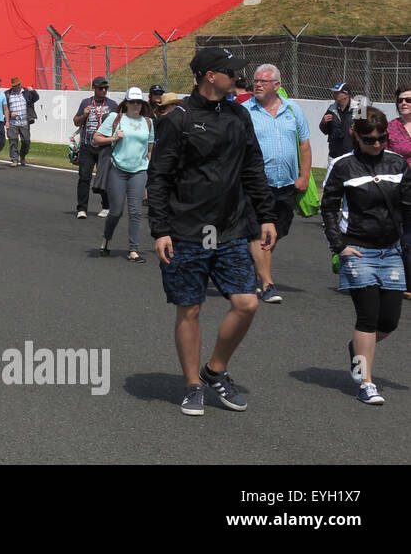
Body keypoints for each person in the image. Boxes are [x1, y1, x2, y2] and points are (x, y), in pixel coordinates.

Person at [149, 47, 276, 416]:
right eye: (231, 72)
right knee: (189, 309)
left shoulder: (238, 115)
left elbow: (253, 166)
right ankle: (192, 385)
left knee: (247, 302)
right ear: (210, 76)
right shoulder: (178, 119)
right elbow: (158, 178)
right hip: (187, 230)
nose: (238, 78)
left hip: (232, 227)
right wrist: (161, 230)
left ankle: (214, 370)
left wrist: (265, 215)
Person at [321, 108, 411, 405]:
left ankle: (358, 346)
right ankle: (365, 381)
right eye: (369, 139)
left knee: (390, 321)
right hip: (358, 249)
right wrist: (339, 245)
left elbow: (408, 205)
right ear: (355, 137)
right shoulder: (344, 166)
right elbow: (329, 207)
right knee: (368, 317)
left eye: (382, 138)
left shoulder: (397, 162)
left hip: (392, 249)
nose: (377, 144)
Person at [244, 63, 311, 305]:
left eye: (263, 81)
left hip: (286, 185)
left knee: (277, 232)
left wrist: (304, 176)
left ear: (277, 85)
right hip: (256, 186)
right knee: (262, 233)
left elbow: (304, 144)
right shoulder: (245, 111)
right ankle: (267, 283)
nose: (257, 85)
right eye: (255, 81)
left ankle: (252, 266)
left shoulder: (293, 110)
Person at [93, 87, 154, 262]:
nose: (135, 105)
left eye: (139, 102)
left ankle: (133, 250)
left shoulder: (148, 122)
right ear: (126, 103)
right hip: (117, 169)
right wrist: (113, 138)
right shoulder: (116, 118)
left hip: (139, 171)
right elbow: (96, 138)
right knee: (116, 211)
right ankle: (106, 238)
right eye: (132, 102)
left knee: (135, 212)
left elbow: (149, 150)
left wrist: (152, 173)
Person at [74, 76, 118, 218]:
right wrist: (84, 115)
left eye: (106, 88)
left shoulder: (112, 105)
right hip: (87, 145)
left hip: (104, 146)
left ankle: (106, 206)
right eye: (101, 88)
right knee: (84, 177)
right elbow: (76, 122)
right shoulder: (85, 102)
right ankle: (82, 209)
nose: (104, 90)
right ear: (94, 88)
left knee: (105, 177)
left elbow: (118, 123)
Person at [384, 83, 411, 302]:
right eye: (400, 100)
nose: (403, 103)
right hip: (399, 189)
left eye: (408, 100)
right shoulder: (391, 127)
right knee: (401, 235)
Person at [319, 81, 356, 169]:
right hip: (334, 155)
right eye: (334, 92)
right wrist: (324, 122)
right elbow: (324, 130)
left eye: (337, 92)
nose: (334, 94)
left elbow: (365, 131)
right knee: (332, 182)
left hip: (352, 155)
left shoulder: (358, 109)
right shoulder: (331, 108)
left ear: (346, 95)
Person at [5, 77, 39, 167]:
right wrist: (9, 115)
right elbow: (3, 107)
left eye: (18, 85)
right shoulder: (7, 94)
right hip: (12, 122)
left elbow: (36, 98)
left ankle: (23, 156)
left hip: (25, 121)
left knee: (26, 141)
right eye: (14, 86)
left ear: (20, 84)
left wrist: (33, 91)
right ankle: (14, 159)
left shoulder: (26, 92)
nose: (16, 87)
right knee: (13, 140)